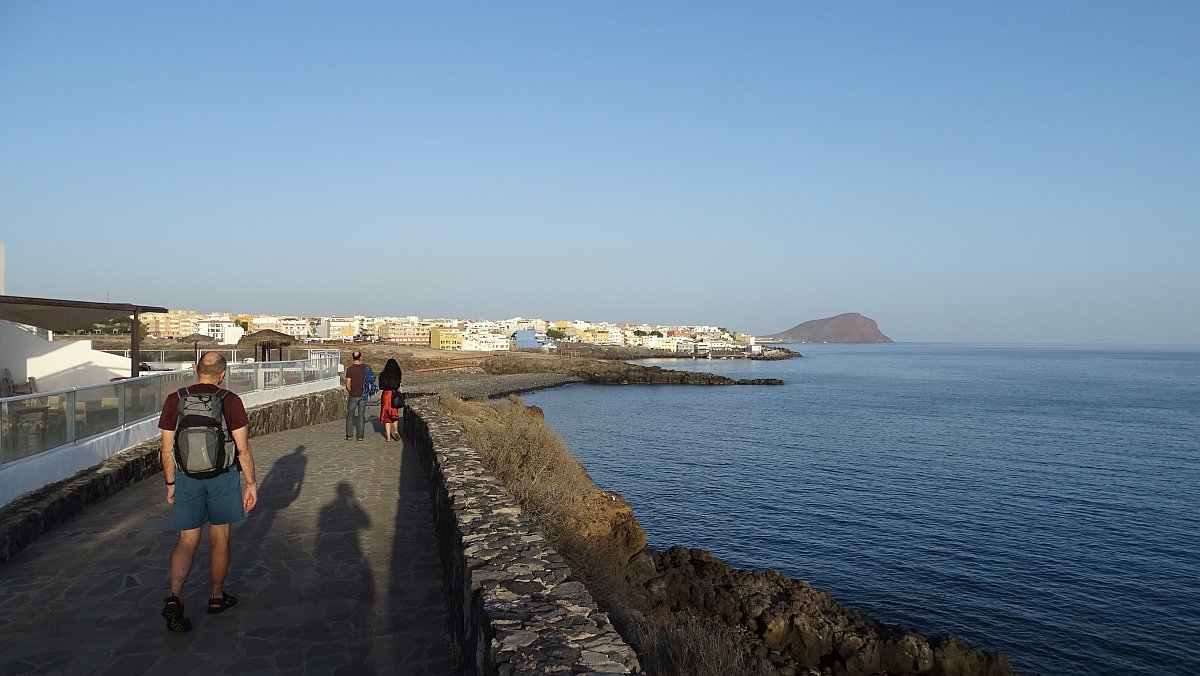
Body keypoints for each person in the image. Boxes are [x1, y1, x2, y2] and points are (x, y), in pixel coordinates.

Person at [158, 351, 258, 632]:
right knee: (220, 537)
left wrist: (170, 484)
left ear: (195, 369)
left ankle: (175, 597)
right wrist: (250, 483)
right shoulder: (230, 400)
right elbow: (243, 449)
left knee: (187, 541)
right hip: (222, 476)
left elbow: (166, 449)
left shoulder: (175, 399)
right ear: (223, 374)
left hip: (186, 478)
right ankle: (216, 596)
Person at [378, 358, 403, 442]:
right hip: (394, 395)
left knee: (386, 416)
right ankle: (396, 431)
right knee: (394, 414)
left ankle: (388, 437)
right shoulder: (398, 374)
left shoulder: (382, 375)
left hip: (385, 395)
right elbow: (398, 385)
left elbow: (380, 386)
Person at [345, 351, 367, 441]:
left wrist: (351, 391)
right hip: (363, 394)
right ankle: (360, 436)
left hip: (354, 394)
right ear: (360, 357)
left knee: (350, 415)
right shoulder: (365, 368)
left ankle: (349, 435)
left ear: (352, 357)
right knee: (361, 415)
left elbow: (347, 385)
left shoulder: (350, 369)